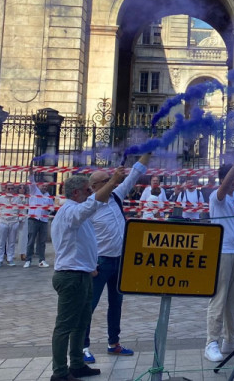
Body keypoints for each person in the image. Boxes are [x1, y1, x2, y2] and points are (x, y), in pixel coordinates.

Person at [49, 169, 125, 381]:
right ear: (75, 194)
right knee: (65, 326)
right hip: (71, 276)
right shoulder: (70, 211)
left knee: (81, 323)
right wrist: (113, 182)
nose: (91, 194)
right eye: (87, 190)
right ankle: (60, 372)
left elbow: (83, 243)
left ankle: (77, 364)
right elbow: (92, 204)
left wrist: (90, 266)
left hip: (82, 273)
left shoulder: (79, 212)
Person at [82, 153, 151, 364]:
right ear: (94, 186)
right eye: (107, 181)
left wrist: (148, 151)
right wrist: (89, 264)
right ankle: (82, 346)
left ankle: (114, 343)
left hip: (119, 260)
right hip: (99, 263)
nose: (113, 182)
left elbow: (133, 176)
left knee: (116, 304)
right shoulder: (89, 206)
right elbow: (82, 239)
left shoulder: (116, 196)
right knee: (88, 306)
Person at [203, 143, 234, 362]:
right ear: (225, 179)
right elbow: (222, 188)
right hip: (222, 253)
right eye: (233, 178)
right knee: (219, 298)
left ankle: (230, 340)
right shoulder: (216, 197)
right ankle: (211, 341)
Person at [26, 165, 52, 268]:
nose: (45, 187)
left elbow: (51, 207)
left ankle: (42, 260)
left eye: (46, 186)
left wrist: (49, 209)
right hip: (33, 219)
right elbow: (31, 180)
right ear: (39, 185)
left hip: (44, 220)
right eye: (43, 186)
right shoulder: (34, 191)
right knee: (31, 240)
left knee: (42, 242)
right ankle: (28, 260)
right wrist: (31, 171)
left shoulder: (49, 196)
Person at [0, 184, 23, 267]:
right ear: (5, 189)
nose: (10, 190)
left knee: (12, 242)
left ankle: (10, 259)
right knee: (1, 242)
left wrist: (19, 220)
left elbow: (21, 211)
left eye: (12, 189)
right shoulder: (0, 199)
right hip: (3, 221)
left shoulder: (17, 199)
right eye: (9, 188)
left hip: (14, 222)